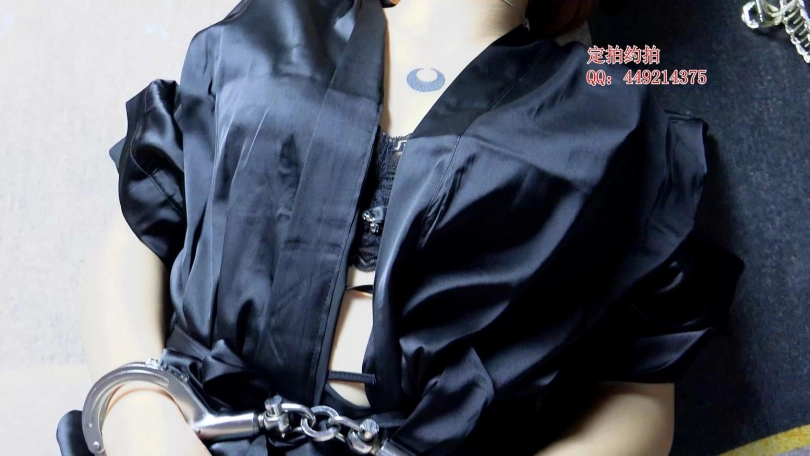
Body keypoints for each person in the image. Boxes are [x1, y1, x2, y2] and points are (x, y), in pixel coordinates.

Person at [57, 0, 743, 455]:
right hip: (191, 427)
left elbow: (638, 394)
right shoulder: (272, 27)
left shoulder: (614, 113)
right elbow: (138, 236)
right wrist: (140, 414)